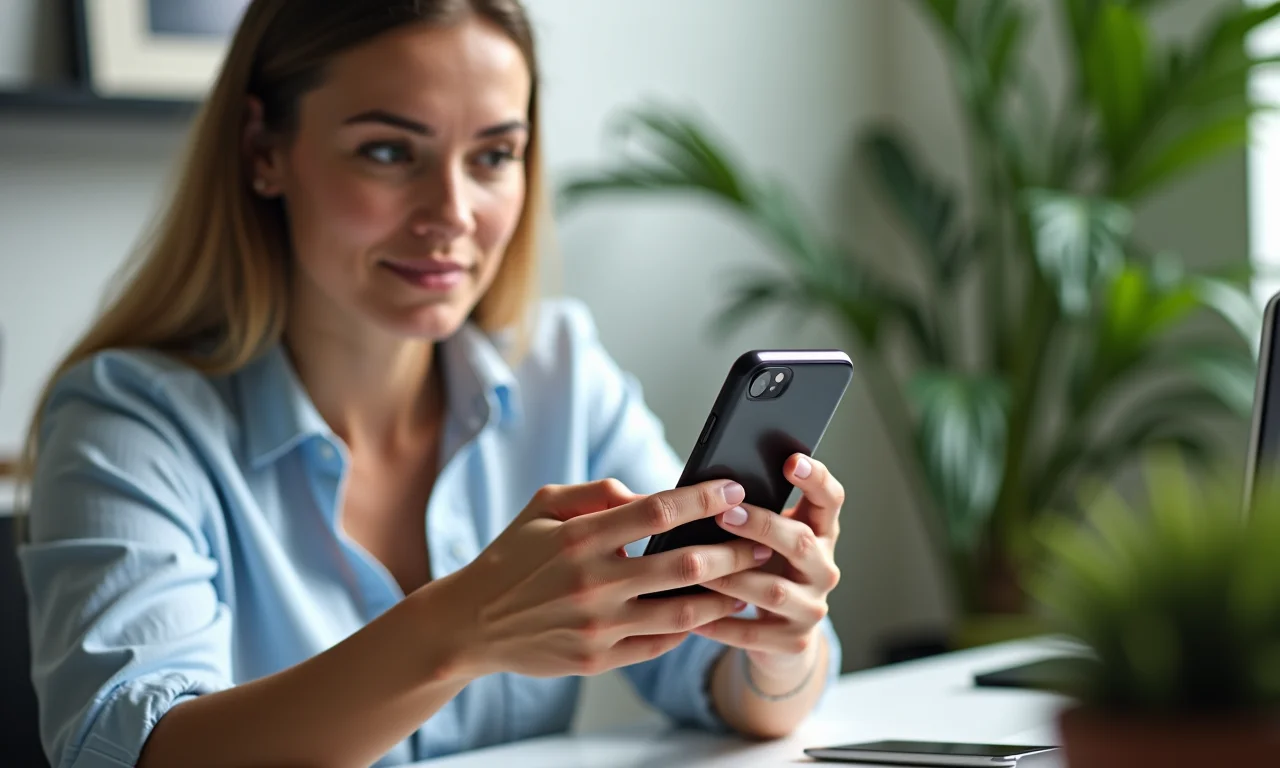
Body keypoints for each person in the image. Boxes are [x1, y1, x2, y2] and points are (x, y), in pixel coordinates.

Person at [17, 1, 847, 766]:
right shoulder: (128, 417)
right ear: (264, 152)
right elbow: (130, 750)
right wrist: (458, 632)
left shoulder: (561, 371)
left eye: (493, 156)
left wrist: (778, 636)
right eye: (388, 151)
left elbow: (739, 697)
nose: (451, 211)